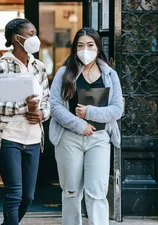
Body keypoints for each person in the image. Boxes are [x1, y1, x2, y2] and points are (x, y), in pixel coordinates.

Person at [49, 27, 123, 225]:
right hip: (69, 138)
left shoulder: (109, 74)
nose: (85, 49)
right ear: (74, 48)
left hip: (99, 139)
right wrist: (79, 124)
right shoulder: (64, 72)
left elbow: (117, 109)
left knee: (97, 192)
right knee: (71, 192)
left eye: (90, 45)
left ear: (98, 47)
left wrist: (89, 113)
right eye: (80, 45)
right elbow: (55, 106)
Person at [0, 18, 50, 225]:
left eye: (35, 33)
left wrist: (41, 114)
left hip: (33, 139)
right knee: (14, 194)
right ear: (16, 38)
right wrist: (23, 107)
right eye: (30, 34)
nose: (35, 38)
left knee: (28, 197)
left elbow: (47, 101)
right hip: (8, 137)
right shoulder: (0, 67)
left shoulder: (39, 67)